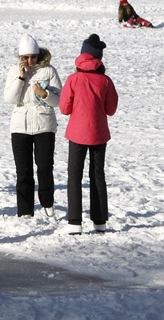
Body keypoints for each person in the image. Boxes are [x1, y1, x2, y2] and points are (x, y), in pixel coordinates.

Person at [59, 34, 119, 235]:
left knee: (74, 176)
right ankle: (100, 220)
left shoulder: (73, 79)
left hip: (77, 134)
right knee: (97, 175)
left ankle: (75, 221)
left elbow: (64, 108)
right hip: (99, 134)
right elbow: (111, 109)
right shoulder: (105, 81)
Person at [3, 34, 63, 218]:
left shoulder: (49, 71)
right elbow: (10, 99)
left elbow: (58, 101)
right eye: (25, 57)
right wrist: (21, 79)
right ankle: (25, 211)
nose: (29, 61)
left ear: (39, 55)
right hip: (20, 126)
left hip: (44, 125)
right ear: (20, 57)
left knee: (45, 167)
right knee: (23, 171)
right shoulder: (15, 71)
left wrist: (44, 94)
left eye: (33, 57)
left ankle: (48, 205)